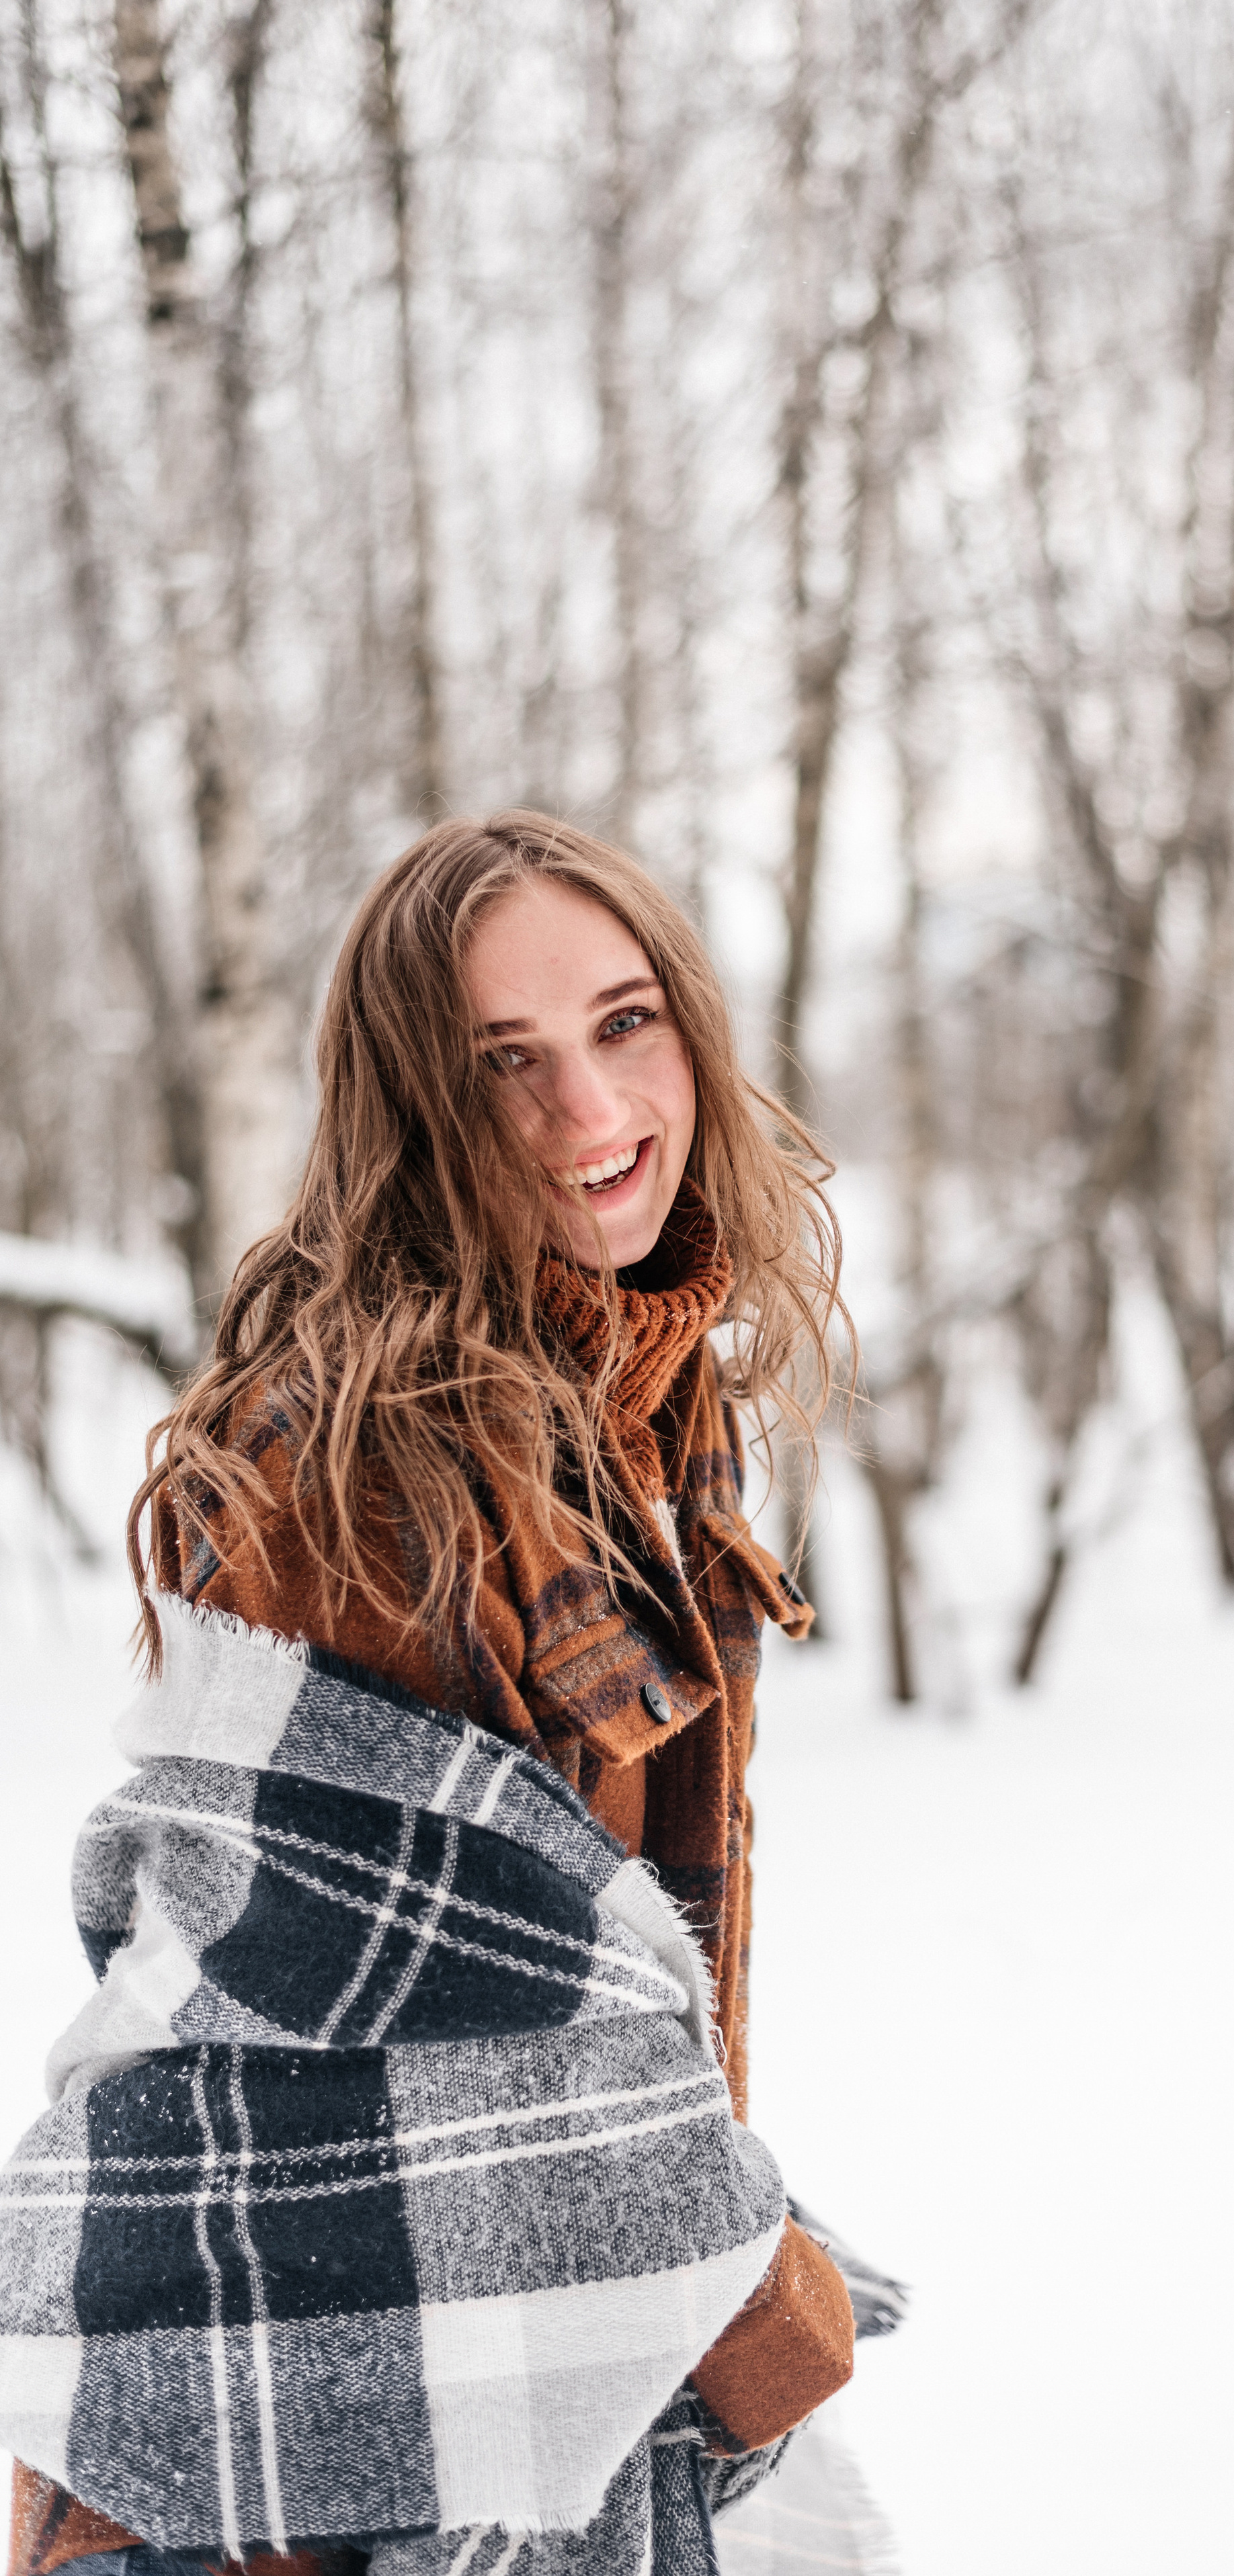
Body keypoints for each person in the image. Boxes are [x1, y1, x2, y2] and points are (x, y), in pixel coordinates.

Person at [4, 812, 862, 2576]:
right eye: (503, 1063)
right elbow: (385, 2039)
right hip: (302, 2457)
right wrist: (752, 2287)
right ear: (409, 1101)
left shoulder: (641, 1402)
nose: (591, 1116)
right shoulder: (366, 1459)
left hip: (516, 2389)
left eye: (626, 1025)